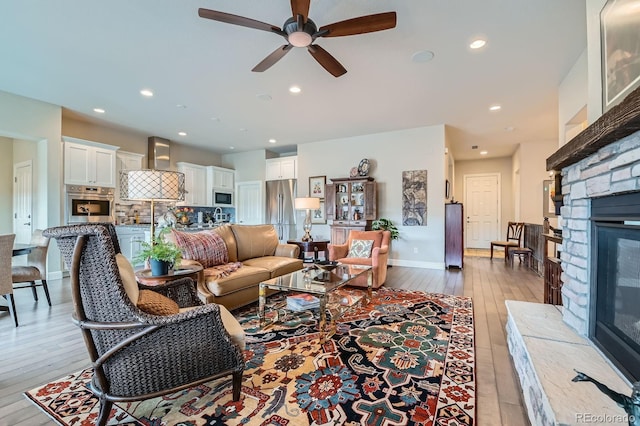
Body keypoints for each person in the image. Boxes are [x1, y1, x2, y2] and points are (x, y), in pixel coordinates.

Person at [572, 370, 640, 425]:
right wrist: (591, 380)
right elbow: (609, 392)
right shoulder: (630, 404)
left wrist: (591, 380)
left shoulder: (630, 404)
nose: (635, 395)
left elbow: (609, 393)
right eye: (635, 392)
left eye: (637, 393)